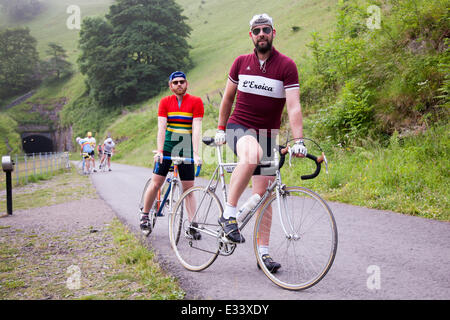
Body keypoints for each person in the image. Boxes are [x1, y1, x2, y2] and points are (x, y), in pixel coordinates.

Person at [214, 13, 307, 273]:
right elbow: (227, 99)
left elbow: (294, 106)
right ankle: (228, 215)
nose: (262, 33)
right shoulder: (241, 63)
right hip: (238, 127)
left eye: (266, 29)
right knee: (251, 153)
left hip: (267, 133)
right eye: (257, 30)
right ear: (251, 36)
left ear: (273, 33)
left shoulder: (286, 65)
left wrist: (298, 140)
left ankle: (263, 254)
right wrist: (221, 128)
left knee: (263, 196)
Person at [140, 71, 204, 236]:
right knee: (156, 183)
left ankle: (193, 225)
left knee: (188, 188)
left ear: (187, 83)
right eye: (175, 82)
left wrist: (196, 153)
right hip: (168, 146)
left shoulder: (196, 102)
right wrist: (160, 151)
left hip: (186, 148)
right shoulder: (165, 102)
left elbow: (196, 128)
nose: (179, 85)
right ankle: (145, 215)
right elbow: (161, 127)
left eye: (182, 81)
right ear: (170, 86)